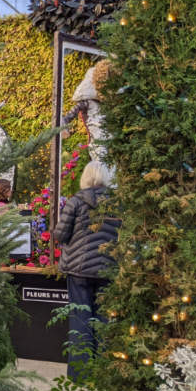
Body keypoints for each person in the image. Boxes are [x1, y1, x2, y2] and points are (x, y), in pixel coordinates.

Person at [54, 160, 120, 379]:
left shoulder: (75, 202)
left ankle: (80, 375)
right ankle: (104, 374)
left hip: (79, 269)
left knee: (80, 319)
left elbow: (60, 234)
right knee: (105, 320)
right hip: (108, 268)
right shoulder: (118, 203)